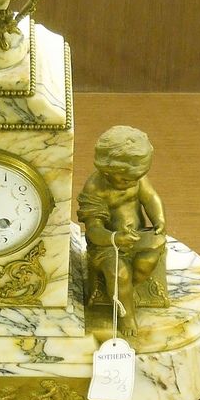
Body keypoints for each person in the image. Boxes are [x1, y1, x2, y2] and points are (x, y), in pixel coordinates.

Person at [77, 126, 166, 335]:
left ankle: (124, 291)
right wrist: (115, 238)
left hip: (138, 236)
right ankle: (126, 316)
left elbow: (151, 198)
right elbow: (93, 230)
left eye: (137, 178)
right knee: (119, 273)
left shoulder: (136, 178)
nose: (132, 183)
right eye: (125, 179)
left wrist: (159, 219)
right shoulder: (95, 188)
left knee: (147, 261)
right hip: (107, 245)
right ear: (106, 170)